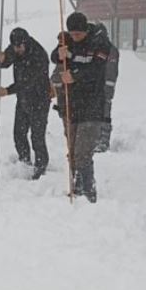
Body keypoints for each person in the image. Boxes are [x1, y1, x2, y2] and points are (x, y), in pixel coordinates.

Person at [50, 12, 111, 203]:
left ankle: (88, 192)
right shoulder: (69, 39)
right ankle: (76, 187)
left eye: (78, 34)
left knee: (83, 152)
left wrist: (75, 75)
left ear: (85, 30)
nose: (74, 37)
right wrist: (60, 54)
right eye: (72, 34)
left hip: (92, 106)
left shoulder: (99, 43)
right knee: (73, 151)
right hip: (72, 105)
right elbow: (54, 56)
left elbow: (96, 70)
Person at [0, 27, 51, 179]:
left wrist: (7, 91)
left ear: (25, 43)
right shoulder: (15, 46)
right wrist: (0, 60)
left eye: (19, 47)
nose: (16, 50)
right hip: (23, 99)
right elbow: (5, 62)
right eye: (14, 47)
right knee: (19, 133)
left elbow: (28, 82)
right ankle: (24, 160)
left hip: (40, 98)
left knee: (37, 136)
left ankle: (41, 165)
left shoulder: (39, 55)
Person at [93, 22, 120, 153]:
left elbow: (111, 71)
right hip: (95, 87)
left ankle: (103, 140)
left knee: (104, 114)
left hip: (105, 88)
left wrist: (108, 89)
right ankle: (95, 138)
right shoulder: (96, 48)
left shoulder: (110, 49)